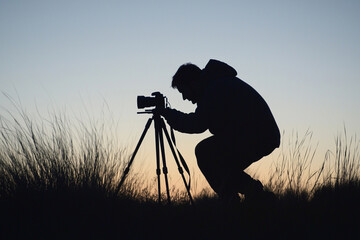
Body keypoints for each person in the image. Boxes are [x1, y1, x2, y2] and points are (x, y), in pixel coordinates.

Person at [161, 59, 280, 202]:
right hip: (257, 134)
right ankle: (257, 197)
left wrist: (169, 114)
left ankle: (234, 201)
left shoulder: (215, 88)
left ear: (192, 83)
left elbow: (197, 124)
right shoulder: (217, 84)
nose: (184, 97)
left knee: (205, 153)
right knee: (221, 166)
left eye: (183, 91)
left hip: (257, 135)